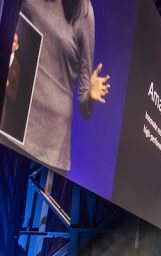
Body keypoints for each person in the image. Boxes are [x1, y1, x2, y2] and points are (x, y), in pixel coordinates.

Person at [17, 0, 110, 171]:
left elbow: (84, 105)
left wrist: (90, 95)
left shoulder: (84, 13)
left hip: (52, 144)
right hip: (14, 116)